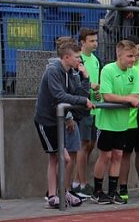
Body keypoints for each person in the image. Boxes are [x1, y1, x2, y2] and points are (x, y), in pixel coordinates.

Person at [33, 40, 94, 208]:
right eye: (76, 57)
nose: (79, 61)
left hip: (60, 119)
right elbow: (59, 95)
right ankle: (53, 195)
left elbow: (78, 93)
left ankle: (62, 191)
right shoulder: (53, 71)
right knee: (59, 157)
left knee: (62, 158)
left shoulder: (71, 73)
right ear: (66, 57)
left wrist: (86, 78)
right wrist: (83, 100)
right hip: (46, 120)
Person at [93, 40, 138, 204]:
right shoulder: (108, 70)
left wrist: (129, 99)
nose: (133, 60)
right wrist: (126, 99)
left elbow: (137, 96)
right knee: (105, 155)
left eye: (134, 56)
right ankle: (97, 191)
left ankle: (113, 192)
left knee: (118, 155)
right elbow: (107, 95)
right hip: (106, 123)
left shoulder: (134, 73)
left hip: (123, 122)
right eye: (129, 56)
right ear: (119, 55)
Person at [119, 35, 139, 200]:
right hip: (127, 118)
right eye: (136, 50)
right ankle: (122, 187)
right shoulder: (124, 69)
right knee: (125, 153)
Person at [72, 28, 100, 198]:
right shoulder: (78, 59)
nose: (95, 43)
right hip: (82, 108)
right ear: (82, 42)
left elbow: (95, 82)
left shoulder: (96, 60)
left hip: (94, 108)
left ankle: (77, 182)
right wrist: (90, 86)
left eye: (96, 40)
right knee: (83, 146)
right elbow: (75, 83)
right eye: (91, 41)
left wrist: (97, 91)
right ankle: (82, 185)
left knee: (90, 146)